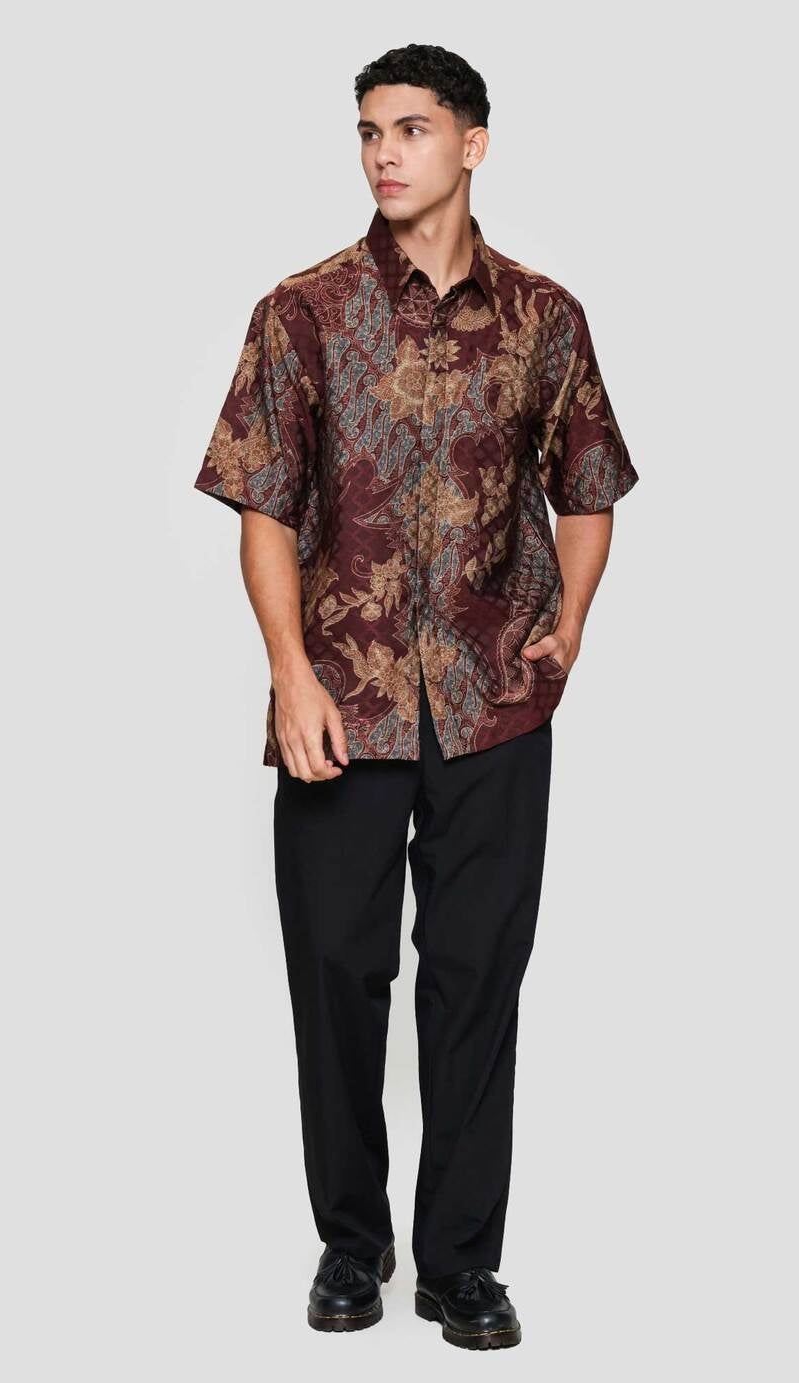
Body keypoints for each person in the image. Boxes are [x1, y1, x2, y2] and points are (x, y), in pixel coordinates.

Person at [192, 43, 639, 1350]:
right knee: (338, 974)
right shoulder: (303, 313)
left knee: (478, 980)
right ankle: (350, 1244)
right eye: (368, 132)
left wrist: (570, 624)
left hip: (498, 701)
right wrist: (289, 675)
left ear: (473, 144)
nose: (384, 153)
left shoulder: (545, 317)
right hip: (344, 699)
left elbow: (588, 486)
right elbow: (265, 509)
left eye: (412, 129)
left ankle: (461, 1264)